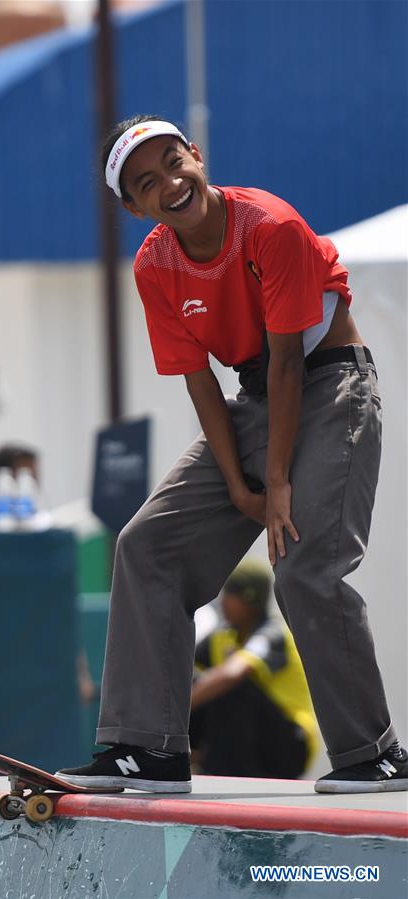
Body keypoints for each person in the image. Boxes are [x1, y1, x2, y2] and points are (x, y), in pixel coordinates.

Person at [56, 115, 407, 793]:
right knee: (146, 545)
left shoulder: (269, 225)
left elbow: (288, 366)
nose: (170, 183)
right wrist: (234, 482)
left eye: (173, 162)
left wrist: (273, 485)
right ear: (135, 208)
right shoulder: (154, 263)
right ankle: (147, 749)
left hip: (331, 385)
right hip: (255, 400)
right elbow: (202, 383)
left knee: (305, 568)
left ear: (197, 154)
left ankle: (377, 753)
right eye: (147, 183)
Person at [190, 558, 318, 778]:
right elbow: (183, 668)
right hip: (252, 742)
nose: (224, 601)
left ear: (251, 599)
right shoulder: (222, 636)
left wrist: (182, 707)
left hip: (290, 744)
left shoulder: (272, 634)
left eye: (232, 594)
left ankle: (223, 774)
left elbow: (233, 673)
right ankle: (177, 759)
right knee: (191, 681)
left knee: (229, 687)